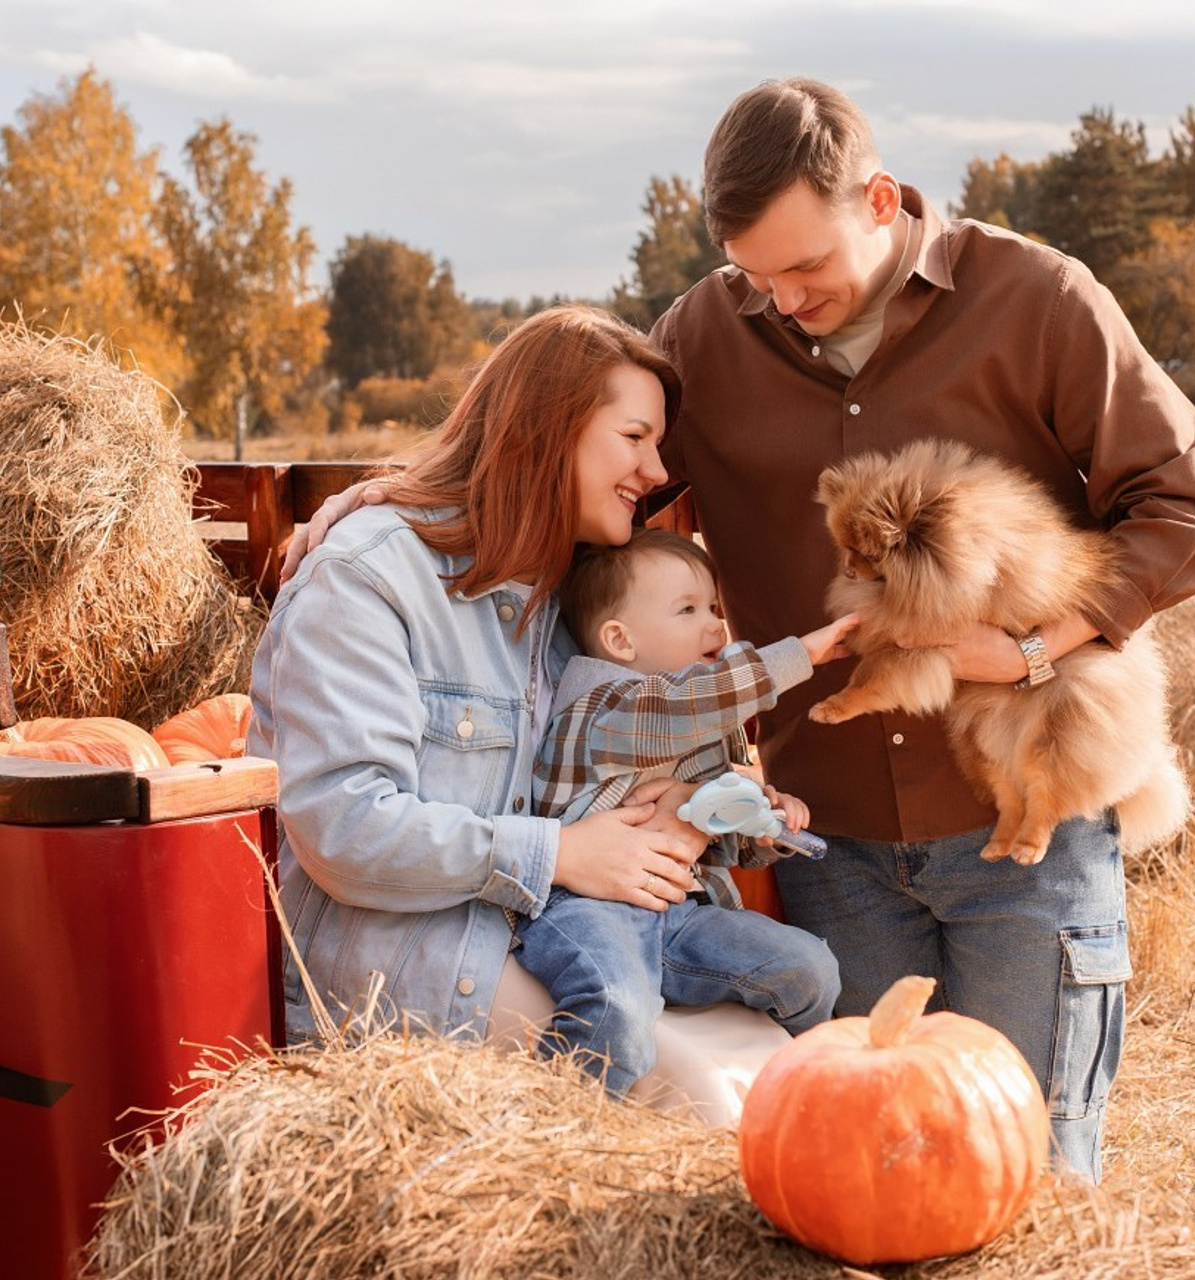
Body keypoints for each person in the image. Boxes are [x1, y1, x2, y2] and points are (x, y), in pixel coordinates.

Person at [282, 78, 1195, 1180]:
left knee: (1026, 1167)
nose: (780, 300)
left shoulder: (1039, 300)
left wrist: (1030, 648)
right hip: (830, 846)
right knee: (859, 1185)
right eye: (753, 274)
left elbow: (1188, 512)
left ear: (877, 199)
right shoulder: (704, 331)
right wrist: (392, 498)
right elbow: (578, 457)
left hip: (1018, 827)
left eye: (804, 270)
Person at [248, 303, 805, 1125]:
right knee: (701, 1095)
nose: (657, 472)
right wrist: (564, 852)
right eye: (636, 438)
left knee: (770, 1060)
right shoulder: (367, 579)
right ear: (550, 431)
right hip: (411, 959)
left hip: (559, 930)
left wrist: (686, 813)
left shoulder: (572, 592)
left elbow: (658, 736)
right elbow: (346, 829)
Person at [520, 528, 850, 1094]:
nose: (716, 625)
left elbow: (721, 835)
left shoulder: (702, 728)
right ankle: (557, 1129)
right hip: (589, 910)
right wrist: (803, 655)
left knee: (809, 969)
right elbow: (685, 705)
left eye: (715, 607)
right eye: (688, 609)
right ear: (621, 641)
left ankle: (801, 1100)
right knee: (617, 1010)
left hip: (680, 917)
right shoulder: (604, 705)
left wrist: (763, 823)